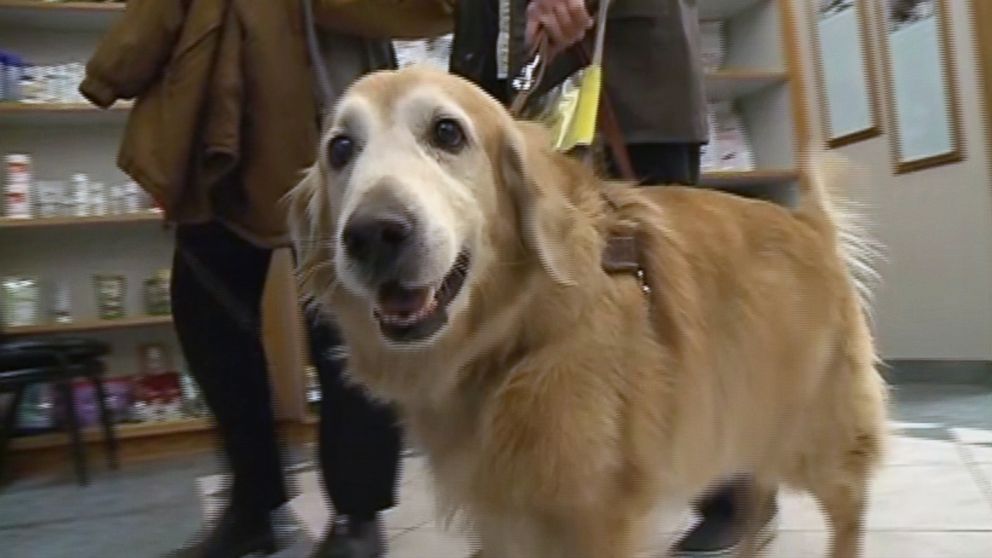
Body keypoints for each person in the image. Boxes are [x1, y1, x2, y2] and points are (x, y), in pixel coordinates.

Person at [80, 1, 453, 557]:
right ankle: (252, 503)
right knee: (207, 312)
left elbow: (435, 9)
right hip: (221, 124)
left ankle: (357, 516)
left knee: (349, 327)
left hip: (339, 126)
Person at [449, 1, 779, 556]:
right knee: (531, 308)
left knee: (667, 296)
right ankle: (551, 506)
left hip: (625, 69)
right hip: (509, 73)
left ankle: (737, 494)